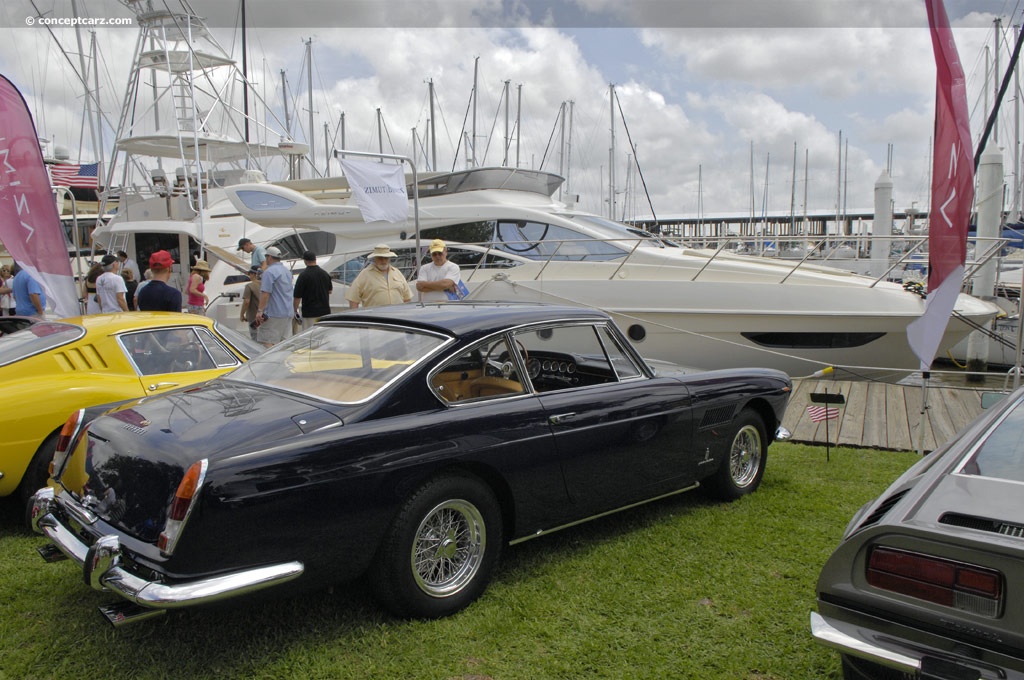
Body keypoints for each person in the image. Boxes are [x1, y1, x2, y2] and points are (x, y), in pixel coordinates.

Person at [345, 244, 412, 308]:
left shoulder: (397, 272)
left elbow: (407, 297)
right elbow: (353, 299)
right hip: (375, 318)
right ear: (375, 258)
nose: (383, 261)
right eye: (380, 258)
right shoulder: (365, 274)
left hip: (397, 317)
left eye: (386, 258)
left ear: (389, 258)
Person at [256, 246, 295, 347]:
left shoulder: (269, 272)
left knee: (268, 341)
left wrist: (260, 311)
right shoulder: (287, 272)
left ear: (269, 257)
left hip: (274, 313)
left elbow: (265, 293)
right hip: (288, 312)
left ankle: (270, 362)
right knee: (284, 343)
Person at [292, 251, 334, 330]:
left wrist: (295, 311)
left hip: (309, 313)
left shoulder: (303, 275)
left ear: (305, 261)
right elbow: (330, 291)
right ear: (315, 259)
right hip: (325, 312)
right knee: (322, 336)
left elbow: (297, 296)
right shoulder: (325, 274)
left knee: (309, 337)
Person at [240, 265, 262, 340]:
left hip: (254, 317)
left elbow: (246, 301)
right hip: (265, 317)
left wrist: (242, 314)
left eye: (249, 274)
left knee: (255, 338)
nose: (249, 276)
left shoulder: (249, 286)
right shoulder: (265, 284)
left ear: (253, 274)